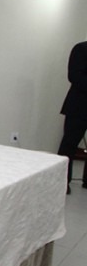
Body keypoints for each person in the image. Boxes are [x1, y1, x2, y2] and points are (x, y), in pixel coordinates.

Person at [57, 41, 87, 194]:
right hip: (79, 106)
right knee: (69, 144)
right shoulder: (81, 49)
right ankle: (62, 181)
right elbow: (74, 76)